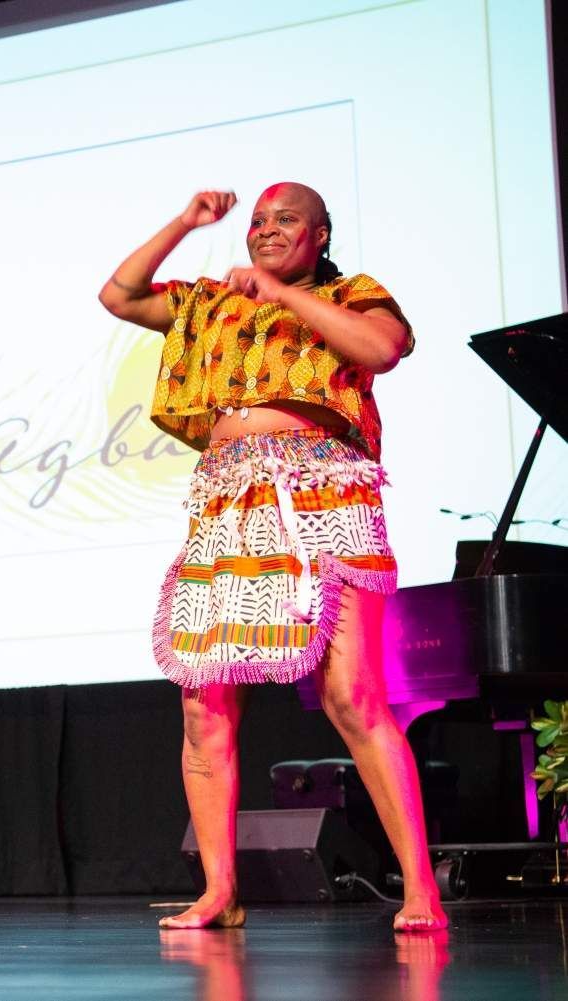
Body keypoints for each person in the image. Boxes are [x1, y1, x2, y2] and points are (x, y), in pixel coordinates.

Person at [98, 182, 446, 931]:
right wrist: (186, 222)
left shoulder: (351, 293)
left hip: (322, 492)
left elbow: (383, 348)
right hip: (229, 502)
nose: (266, 230)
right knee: (203, 704)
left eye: (286, 219)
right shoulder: (212, 302)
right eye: (257, 221)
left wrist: (284, 295)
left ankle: (421, 888)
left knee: (352, 695)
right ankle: (220, 892)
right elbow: (120, 295)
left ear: (320, 235)